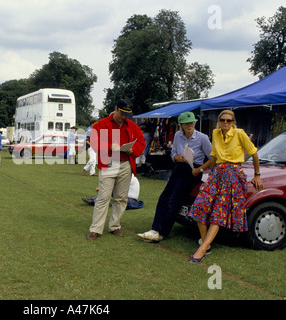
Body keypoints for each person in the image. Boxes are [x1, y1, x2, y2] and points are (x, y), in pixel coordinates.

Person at [186, 110, 263, 263]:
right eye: (223, 120)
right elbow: (214, 157)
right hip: (217, 173)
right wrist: (200, 169)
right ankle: (206, 244)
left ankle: (202, 248)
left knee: (219, 211)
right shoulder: (215, 133)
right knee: (200, 205)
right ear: (219, 121)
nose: (226, 123)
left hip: (233, 174)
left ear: (233, 122)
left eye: (229, 120)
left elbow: (254, 153)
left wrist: (257, 175)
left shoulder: (239, 133)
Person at [137, 112, 212, 242]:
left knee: (174, 200)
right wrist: (177, 157)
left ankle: (162, 232)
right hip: (180, 167)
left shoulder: (203, 138)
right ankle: (155, 229)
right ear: (181, 125)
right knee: (163, 197)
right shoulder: (178, 135)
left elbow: (212, 158)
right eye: (186, 123)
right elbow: (173, 153)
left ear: (195, 123)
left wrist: (199, 169)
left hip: (193, 170)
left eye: (191, 123)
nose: (189, 126)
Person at [86, 99, 146, 241]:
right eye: (122, 113)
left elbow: (141, 142)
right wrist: (109, 146)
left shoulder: (132, 125)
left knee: (121, 198)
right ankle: (95, 229)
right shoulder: (101, 124)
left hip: (126, 164)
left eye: (127, 114)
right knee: (103, 197)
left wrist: (133, 150)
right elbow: (94, 143)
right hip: (109, 163)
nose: (124, 117)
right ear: (116, 109)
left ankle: (115, 226)